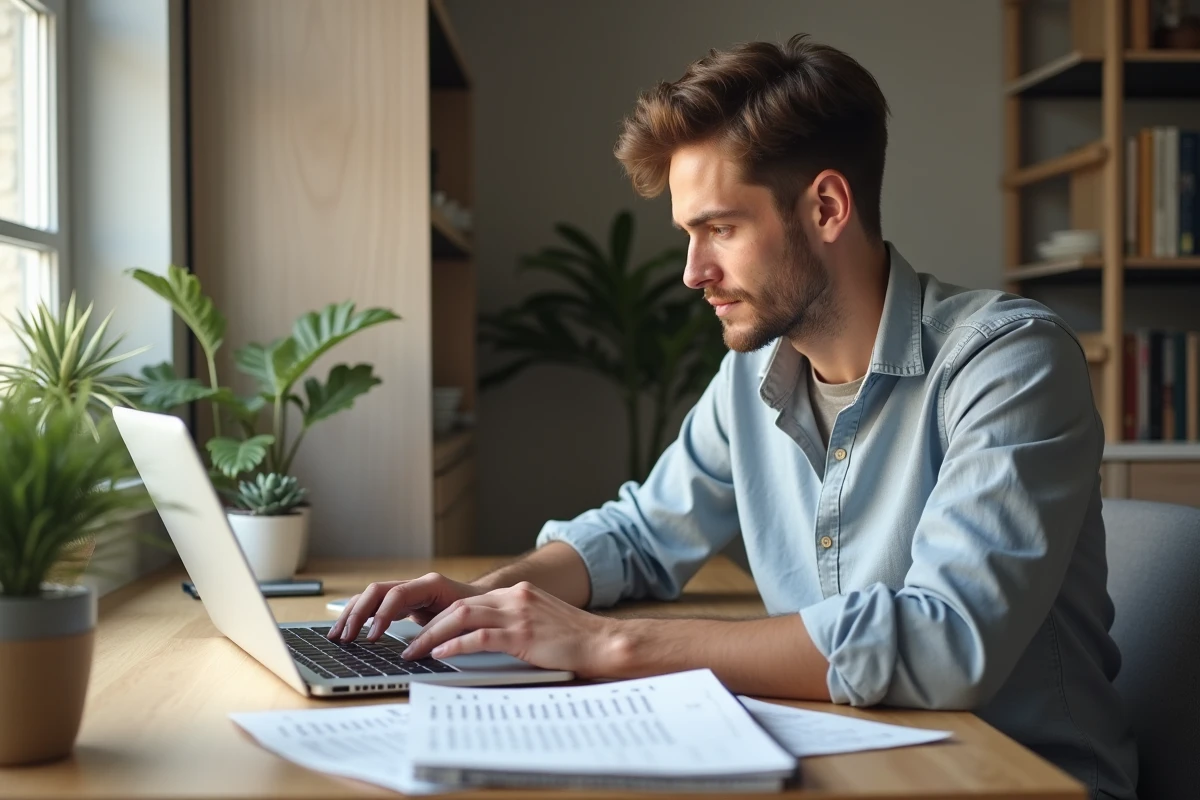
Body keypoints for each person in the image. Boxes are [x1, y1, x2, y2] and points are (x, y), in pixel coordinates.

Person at [330, 33, 1137, 800]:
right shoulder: (752, 374)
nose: (692, 272)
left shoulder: (1008, 362)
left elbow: (943, 641)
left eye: (720, 228)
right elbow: (639, 534)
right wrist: (491, 597)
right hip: (846, 762)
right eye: (690, 233)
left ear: (825, 207)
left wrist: (608, 645)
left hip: (1016, 780)